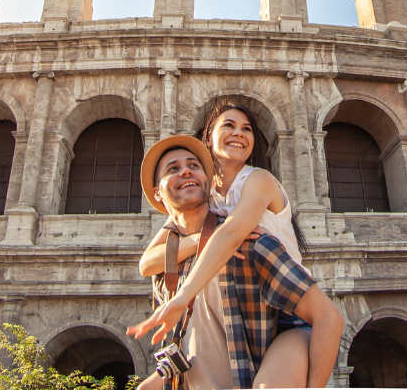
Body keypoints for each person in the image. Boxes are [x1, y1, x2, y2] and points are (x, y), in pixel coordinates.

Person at [129, 133, 344, 389]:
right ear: (157, 194)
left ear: (208, 184)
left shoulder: (250, 243)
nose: (186, 172)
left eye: (194, 166)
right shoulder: (167, 268)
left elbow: (328, 318)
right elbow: (187, 342)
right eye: (173, 169)